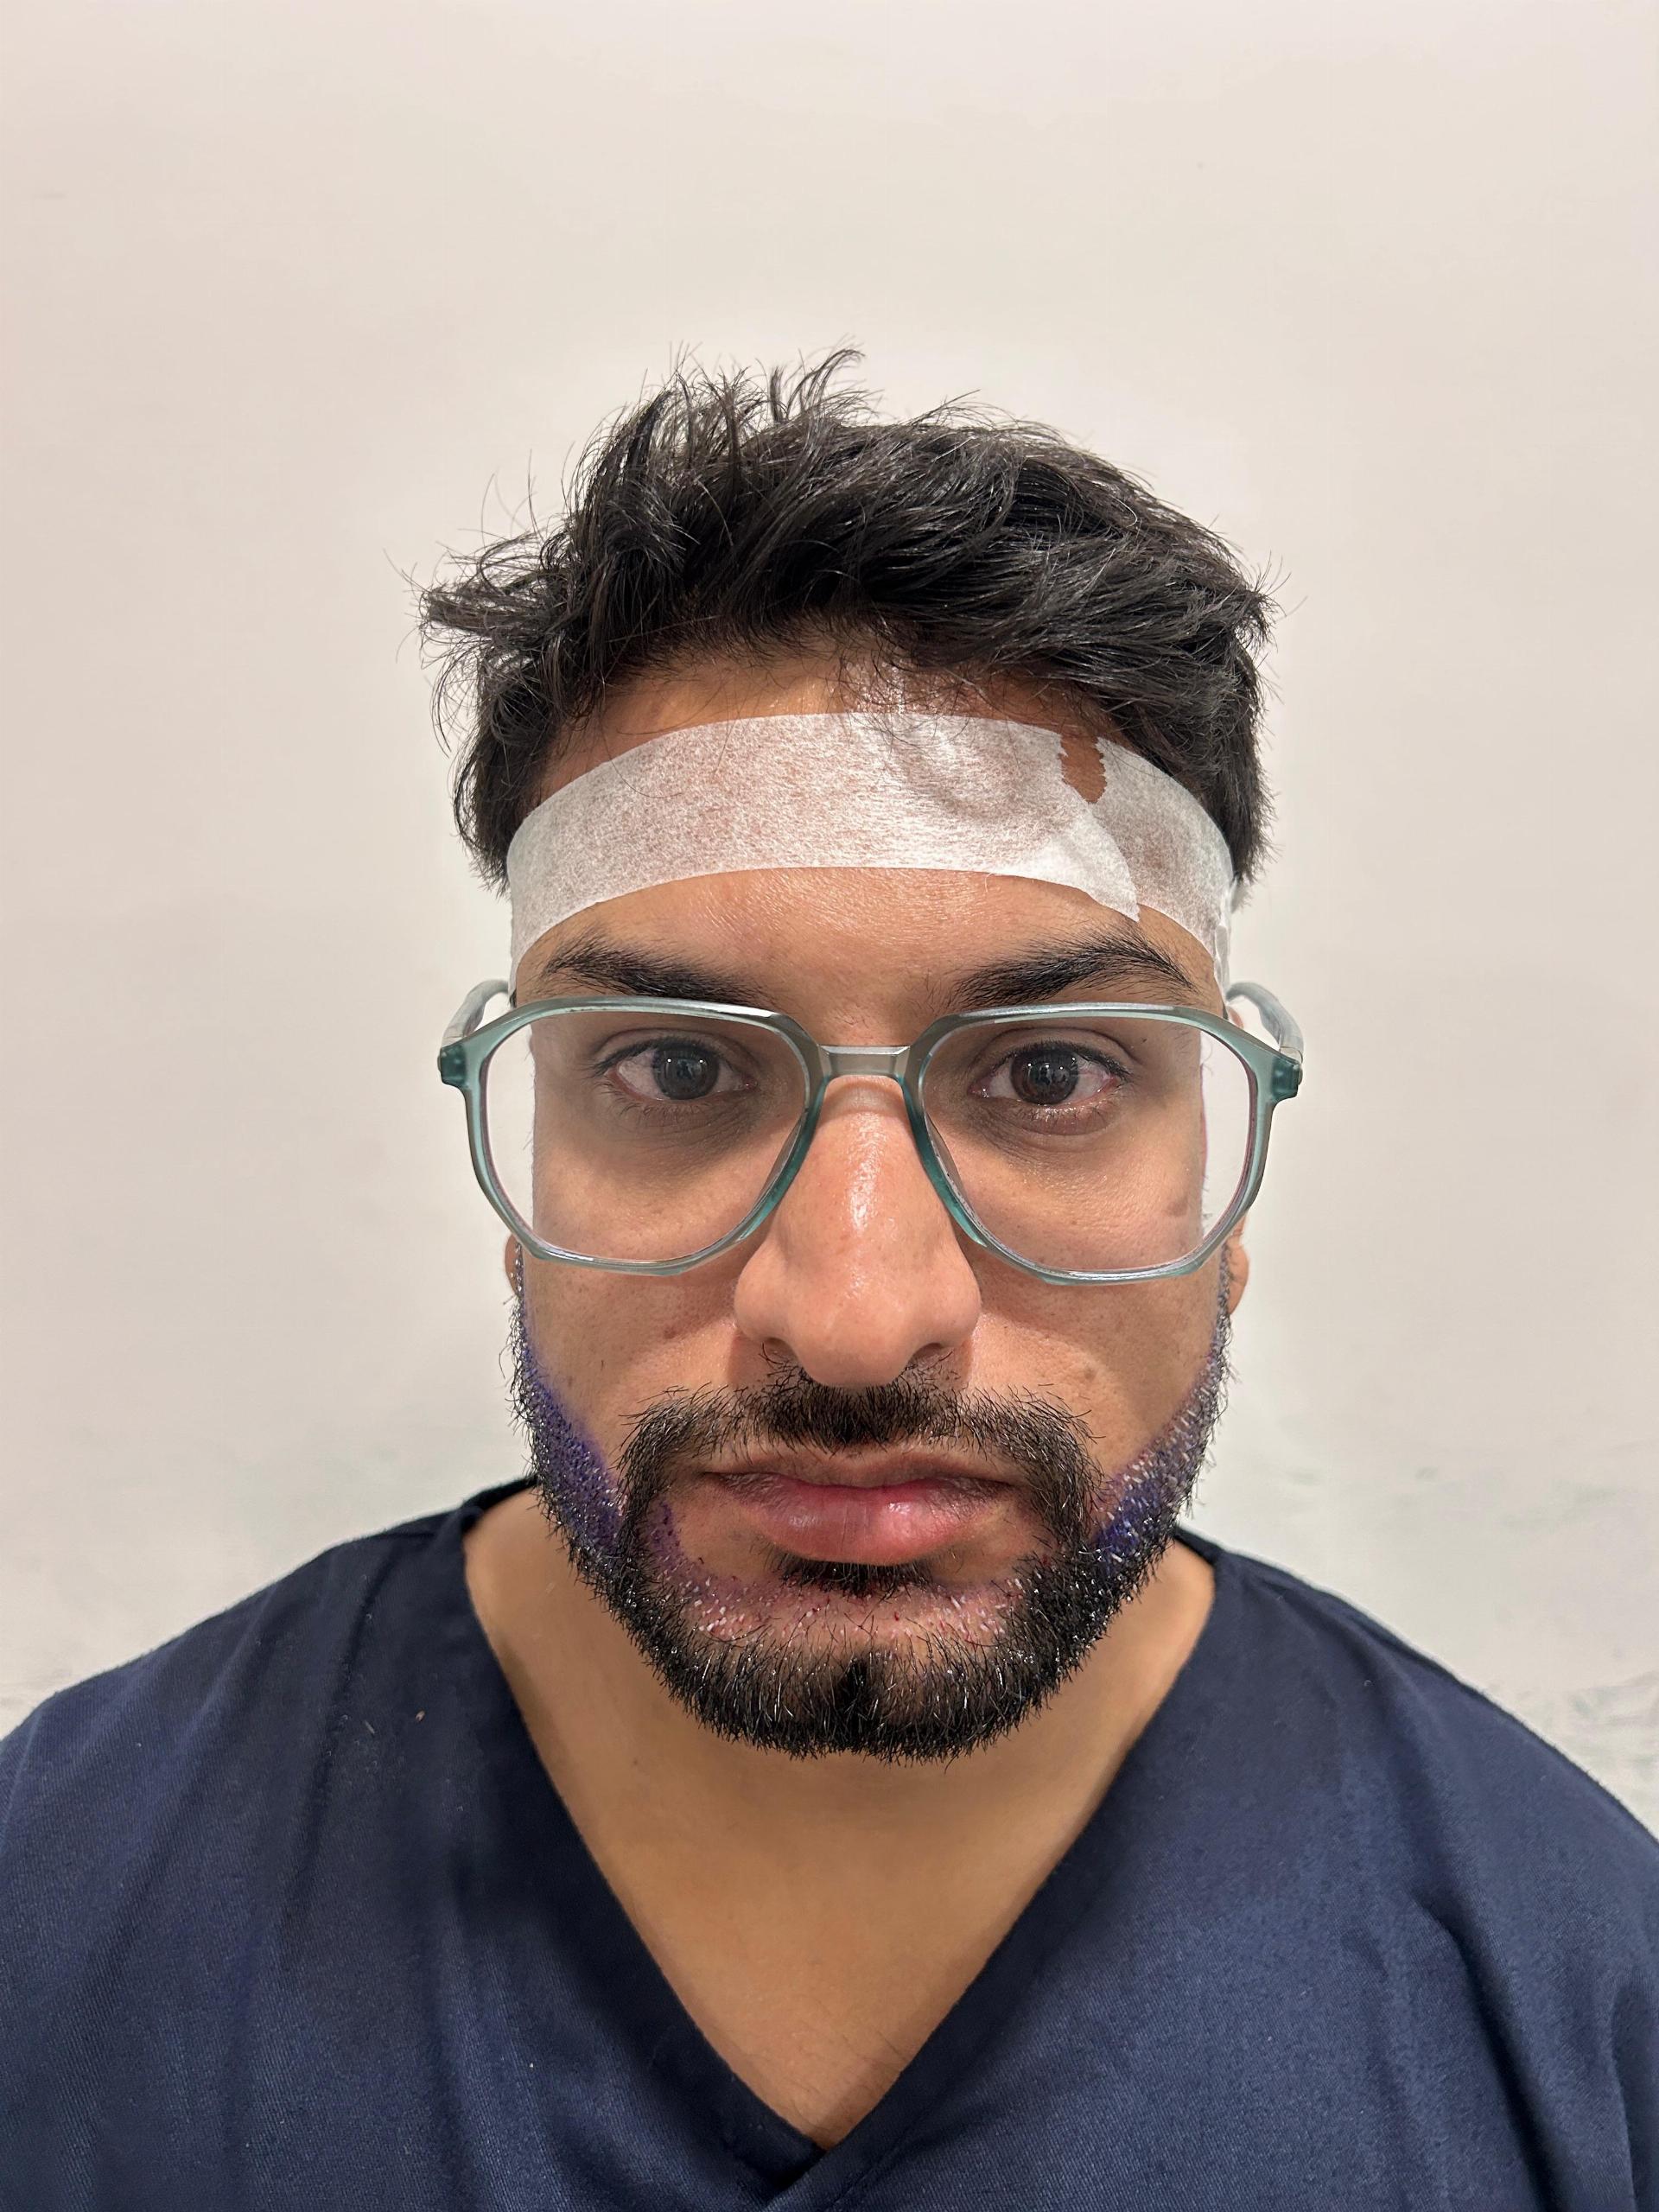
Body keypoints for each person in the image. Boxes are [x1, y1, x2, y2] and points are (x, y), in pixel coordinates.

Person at [3, 358, 1654, 2212]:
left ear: (1224, 1167)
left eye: (1052, 1074)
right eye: (677, 1069)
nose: (859, 1318)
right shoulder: (65, 1908)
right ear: (521, 1149)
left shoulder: (1580, 2002)